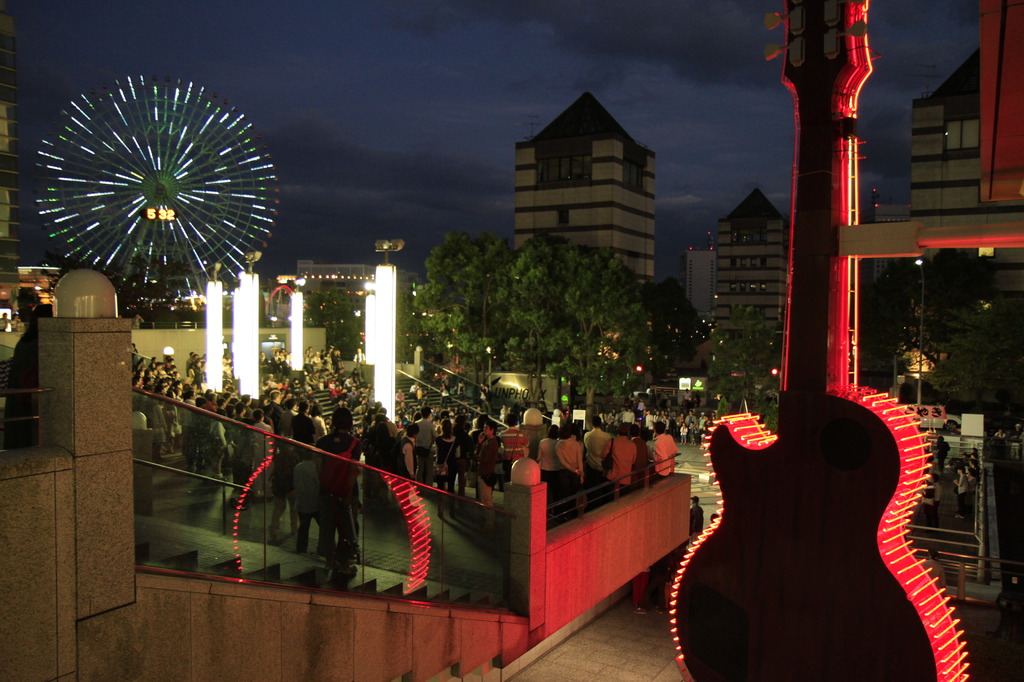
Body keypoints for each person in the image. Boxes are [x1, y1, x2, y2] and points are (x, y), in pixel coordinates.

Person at [315, 406, 362, 578]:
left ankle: (329, 559)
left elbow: (318, 467)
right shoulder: (355, 444)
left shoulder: (322, 442)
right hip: (347, 492)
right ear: (350, 423)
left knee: (327, 526)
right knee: (348, 526)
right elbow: (352, 470)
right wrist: (348, 493)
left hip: (326, 491)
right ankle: (344, 562)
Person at [3, 304, 52, 449]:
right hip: (32, 398)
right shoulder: (44, 343)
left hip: (17, 395)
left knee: (19, 435)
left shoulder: (24, 341)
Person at [293, 449, 321, 555]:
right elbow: (317, 484)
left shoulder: (298, 467)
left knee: (304, 527)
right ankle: (323, 548)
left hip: (301, 501)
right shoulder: (314, 468)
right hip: (314, 501)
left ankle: (301, 548)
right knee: (323, 525)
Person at [476, 419, 502, 526]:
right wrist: (480, 443)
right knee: (485, 498)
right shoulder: (488, 441)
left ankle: (490, 522)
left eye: (486, 427)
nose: (484, 429)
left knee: (486, 499)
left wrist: (477, 457)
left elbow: (484, 458)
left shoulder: (492, 443)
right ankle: (488, 521)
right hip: (484, 472)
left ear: (492, 430)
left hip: (486, 472)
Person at [583, 415, 612, 492]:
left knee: (591, 487)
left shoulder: (588, 435)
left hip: (591, 463)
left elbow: (586, 446)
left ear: (592, 424)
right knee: (602, 488)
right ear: (601, 424)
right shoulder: (607, 436)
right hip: (602, 464)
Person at [538, 424, 562, 503]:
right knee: (555, 491)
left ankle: (545, 509)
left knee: (545, 491)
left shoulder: (543, 442)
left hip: (544, 469)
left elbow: (539, 457)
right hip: (556, 469)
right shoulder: (559, 443)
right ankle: (555, 509)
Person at [413, 406, 436, 485]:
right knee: (429, 470)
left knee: (419, 468)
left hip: (419, 449)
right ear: (429, 414)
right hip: (428, 450)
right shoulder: (430, 425)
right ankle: (429, 486)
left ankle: (418, 485)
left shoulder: (416, 424)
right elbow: (435, 436)